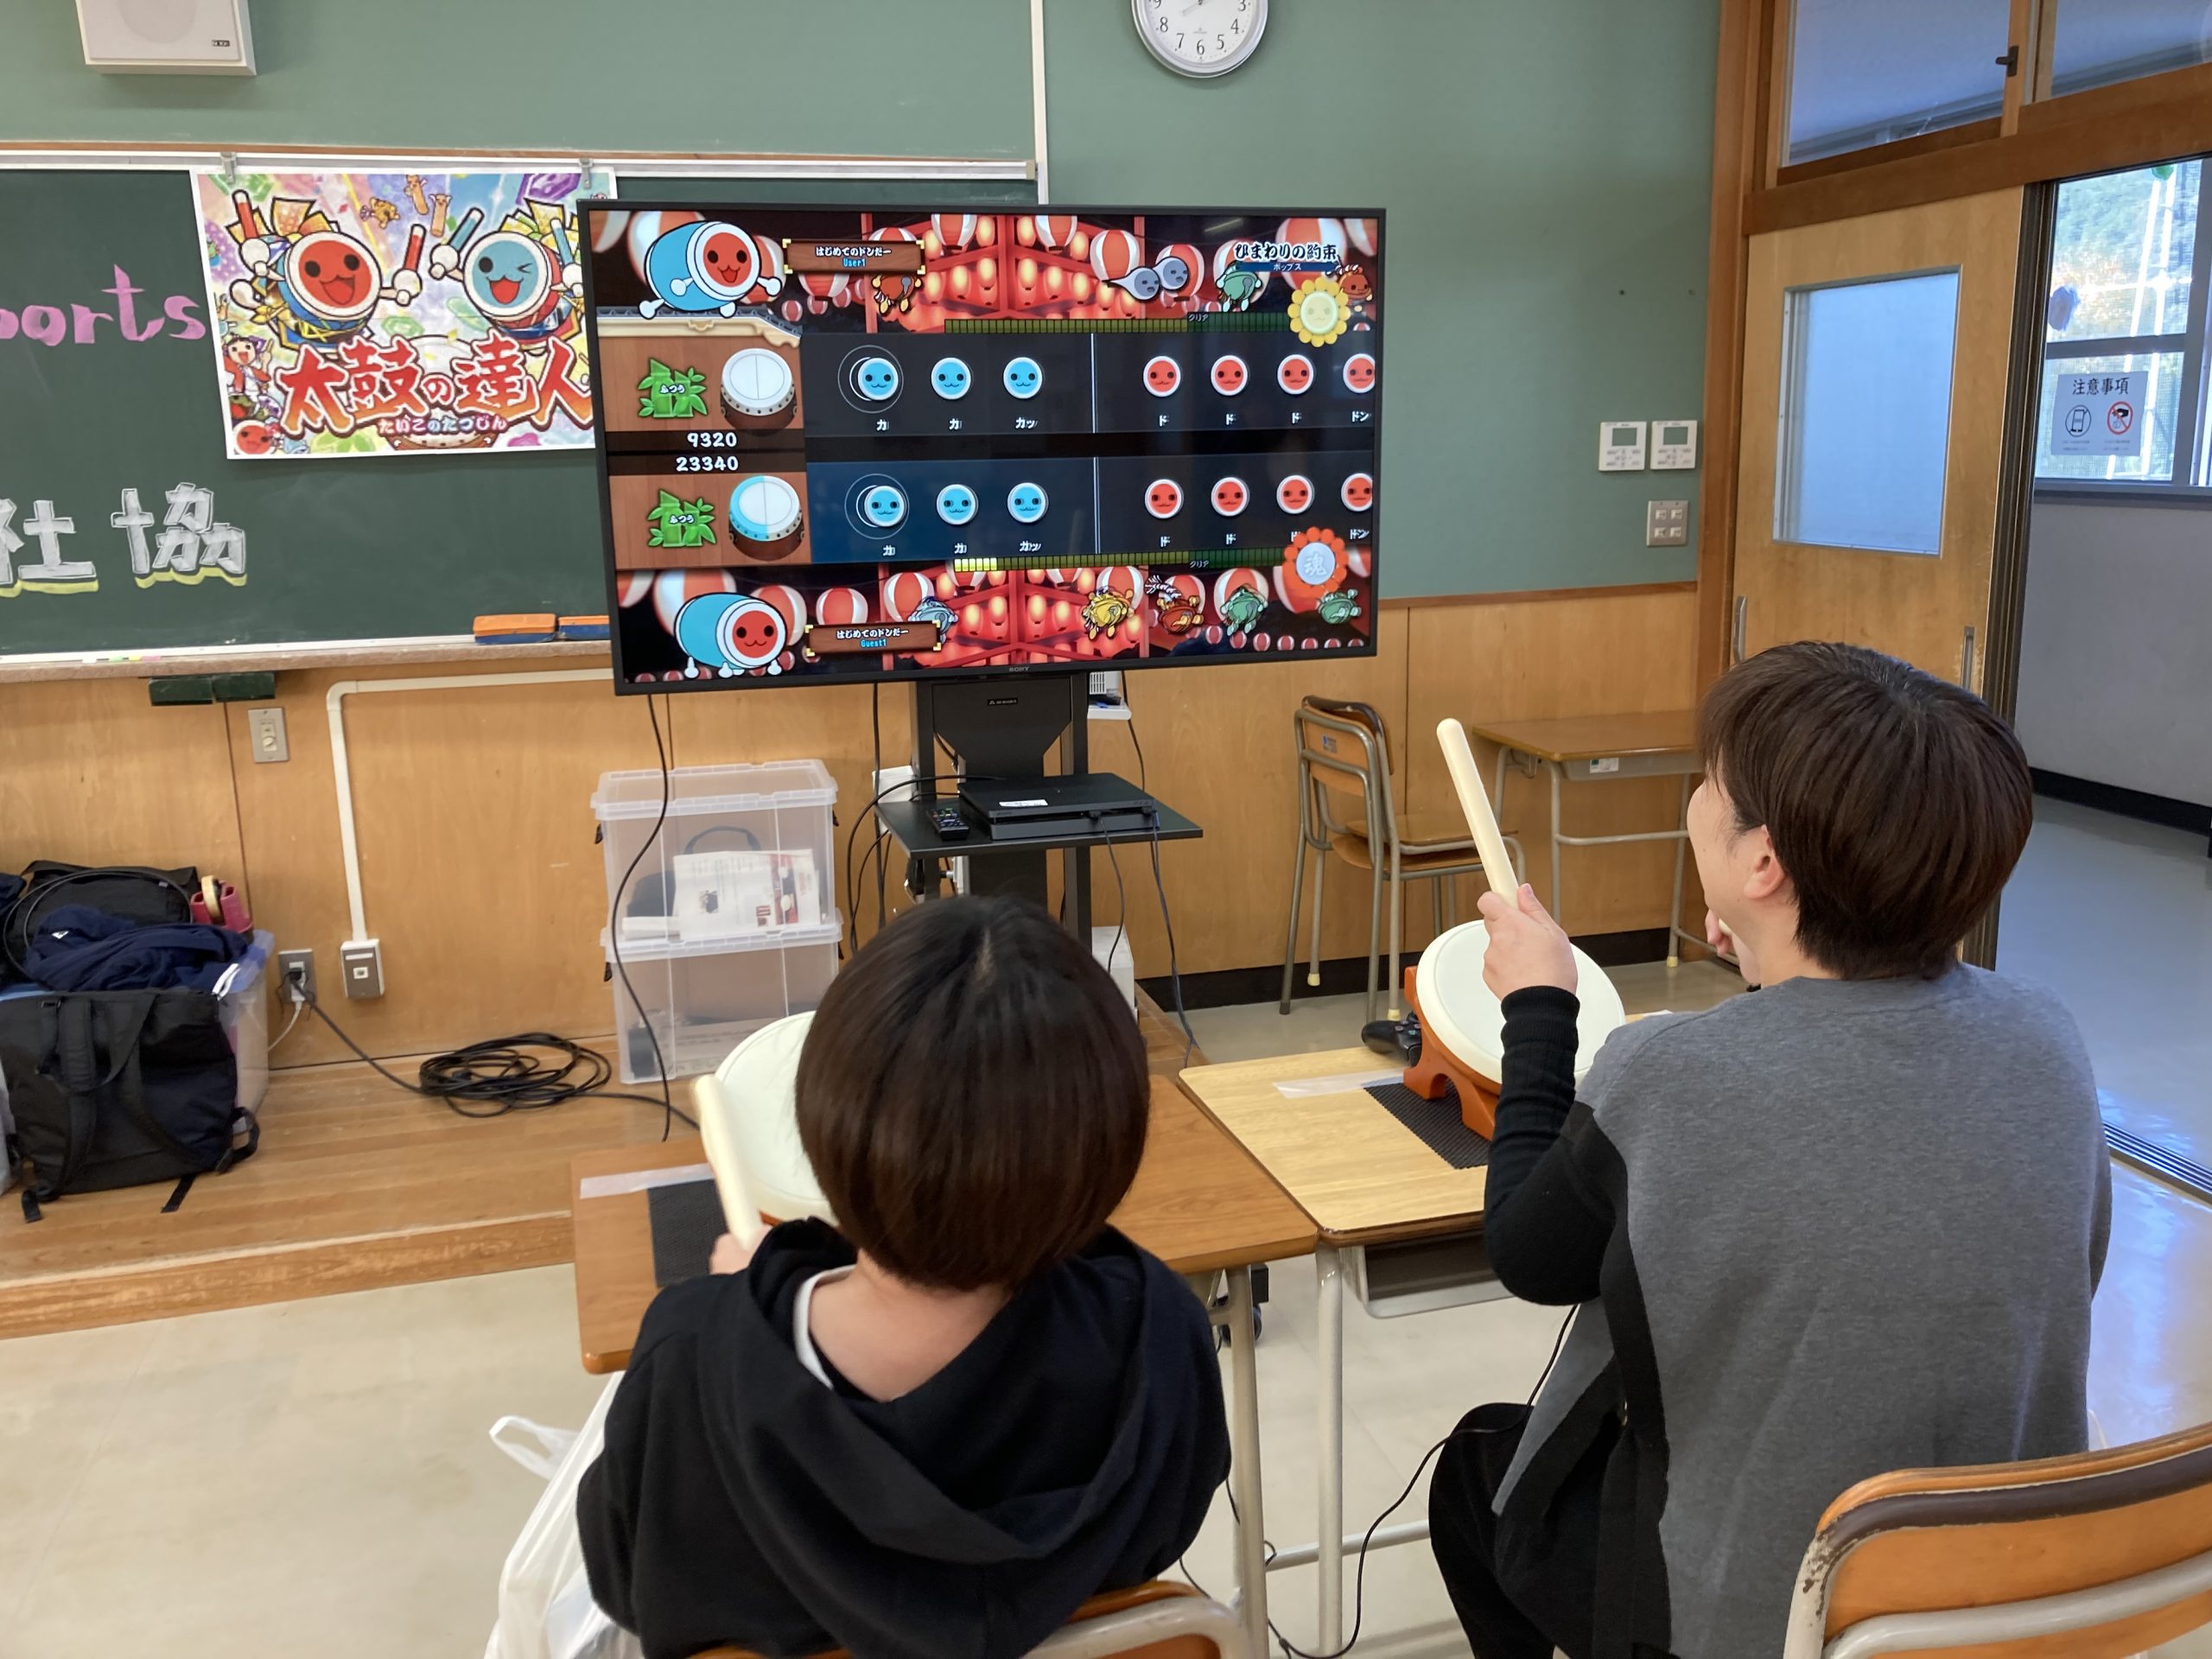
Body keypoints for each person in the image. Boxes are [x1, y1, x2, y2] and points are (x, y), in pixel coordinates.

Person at [1427, 642, 2110, 1659]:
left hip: (1766, 1612)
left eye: (1710, 782)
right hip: (2006, 1589)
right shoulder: (2046, 1034)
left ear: (1761, 864)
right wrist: (1767, 966)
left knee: (1475, 1475)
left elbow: (1528, 1255)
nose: (1699, 796)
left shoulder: (1667, 1072)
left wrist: (1537, 1003)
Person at [577, 895, 1229, 1659]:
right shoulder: (1158, 1335)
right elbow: (1163, 1529)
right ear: (1109, 1146)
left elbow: (625, 1579)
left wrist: (747, 1306)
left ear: (825, 1120)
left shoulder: (691, 1357)